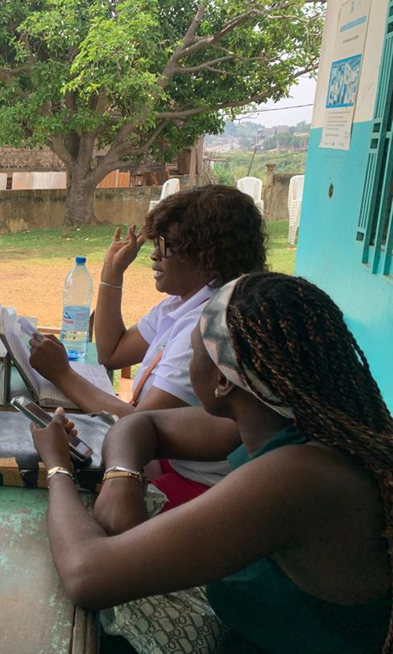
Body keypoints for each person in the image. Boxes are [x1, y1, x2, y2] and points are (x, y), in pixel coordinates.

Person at [32, 273, 392, 652]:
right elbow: (140, 424)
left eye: (192, 350)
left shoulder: (297, 475)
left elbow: (86, 574)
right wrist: (122, 477)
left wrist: (57, 465)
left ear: (223, 381)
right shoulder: (274, 419)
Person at [29, 185, 267, 505]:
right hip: (171, 464)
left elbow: (137, 426)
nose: (154, 255)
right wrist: (112, 273)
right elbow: (112, 352)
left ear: (207, 256)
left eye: (166, 246)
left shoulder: (207, 327)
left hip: (201, 485)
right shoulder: (179, 305)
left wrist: (62, 375)